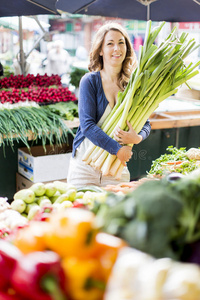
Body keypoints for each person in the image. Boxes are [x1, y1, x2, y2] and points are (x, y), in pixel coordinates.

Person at [67, 22, 151, 187]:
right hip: (85, 166)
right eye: (110, 44)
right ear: (100, 50)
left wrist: (138, 137)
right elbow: (87, 125)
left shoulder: (132, 85)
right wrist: (117, 149)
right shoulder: (90, 81)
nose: (117, 48)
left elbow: (146, 123)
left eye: (121, 42)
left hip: (116, 168)